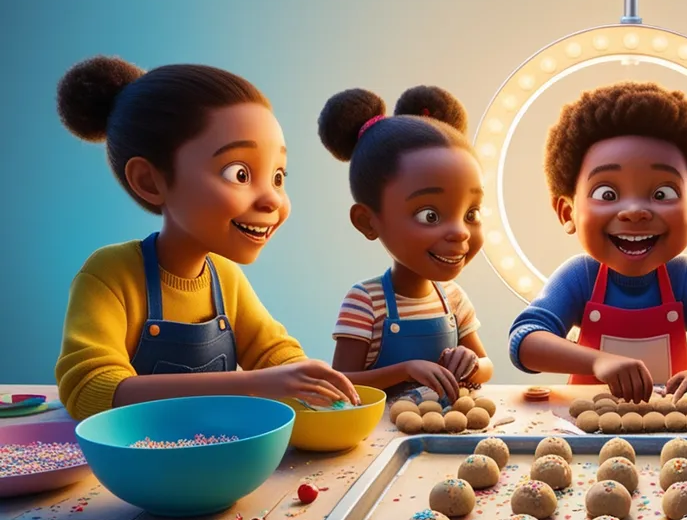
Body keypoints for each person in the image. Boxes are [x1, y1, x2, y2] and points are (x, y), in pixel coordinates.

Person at [54, 55, 357, 421]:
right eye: (239, 173)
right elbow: (90, 390)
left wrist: (305, 377)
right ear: (150, 182)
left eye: (278, 176)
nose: (273, 199)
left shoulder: (225, 278)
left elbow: (273, 352)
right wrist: (257, 383)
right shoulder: (111, 274)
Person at [508, 81, 687, 405]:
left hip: (673, 421)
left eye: (662, 194)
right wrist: (597, 361)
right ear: (567, 211)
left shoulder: (686, 278)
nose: (634, 212)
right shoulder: (580, 277)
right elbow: (525, 340)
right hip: (585, 423)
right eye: (607, 194)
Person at [319, 85, 492, 403]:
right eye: (430, 215)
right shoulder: (365, 303)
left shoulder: (452, 299)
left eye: (471, 213)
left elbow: (486, 366)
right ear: (368, 221)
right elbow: (343, 384)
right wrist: (406, 370)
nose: (460, 233)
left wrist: (472, 365)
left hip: (450, 428)